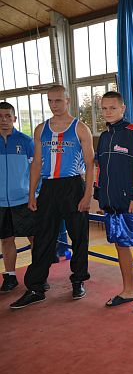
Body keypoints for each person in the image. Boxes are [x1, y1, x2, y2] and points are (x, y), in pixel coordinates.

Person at [10, 85, 94, 309]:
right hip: (48, 188)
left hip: (72, 185)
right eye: (50, 101)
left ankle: (78, 280)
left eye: (58, 100)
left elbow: (89, 164)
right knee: (43, 237)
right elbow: (37, 163)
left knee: (79, 236)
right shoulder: (41, 129)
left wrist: (88, 194)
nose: (54, 105)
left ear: (67, 100)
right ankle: (36, 287)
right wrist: (32, 193)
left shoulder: (80, 128)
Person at [95, 91, 133, 311]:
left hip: (130, 201)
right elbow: (100, 168)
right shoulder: (104, 136)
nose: (108, 112)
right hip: (110, 201)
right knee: (120, 244)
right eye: (104, 108)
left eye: (113, 107)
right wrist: (99, 195)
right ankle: (128, 290)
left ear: (123, 108)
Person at [0, 102, 35, 292]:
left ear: (14, 118)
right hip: (1, 203)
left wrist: (34, 194)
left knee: (34, 238)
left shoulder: (26, 141)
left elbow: (37, 170)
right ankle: (10, 276)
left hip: (24, 200)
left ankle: (38, 275)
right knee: (6, 240)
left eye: (7, 116)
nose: (4, 120)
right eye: (0, 116)